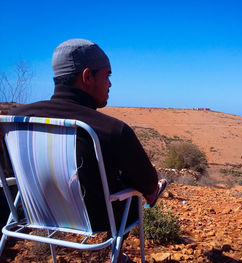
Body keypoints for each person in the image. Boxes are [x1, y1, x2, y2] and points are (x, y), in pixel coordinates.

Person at [9, 38, 166, 263]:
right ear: (87, 77)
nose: (110, 84)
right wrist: (151, 189)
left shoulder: (17, 118)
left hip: (34, 210)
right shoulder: (112, 129)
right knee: (137, 193)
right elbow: (149, 182)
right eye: (107, 75)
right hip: (95, 219)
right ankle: (116, 255)